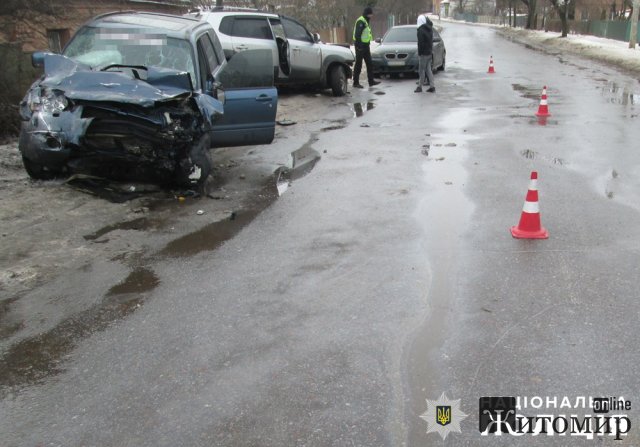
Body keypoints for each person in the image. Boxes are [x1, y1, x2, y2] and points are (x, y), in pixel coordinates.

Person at [352, 7, 381, 88]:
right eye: (370, 14)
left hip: (365, 45)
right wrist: (358, 46)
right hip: (360, 46)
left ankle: (371, 81)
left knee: (369, 63)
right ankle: (355, 82)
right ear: (367, 14)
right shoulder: (361, 21)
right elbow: (357, 35)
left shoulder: (366, 21)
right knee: (358, 64)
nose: (371, 16)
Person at [416, 14, 436, 93]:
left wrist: (420, 53)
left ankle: (419, 87)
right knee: (428, 70)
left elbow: (421, 43)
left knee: (421, 70)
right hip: (429, 52)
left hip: (423, 53)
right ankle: (432, 86)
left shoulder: (420, 30)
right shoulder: (429, 28)